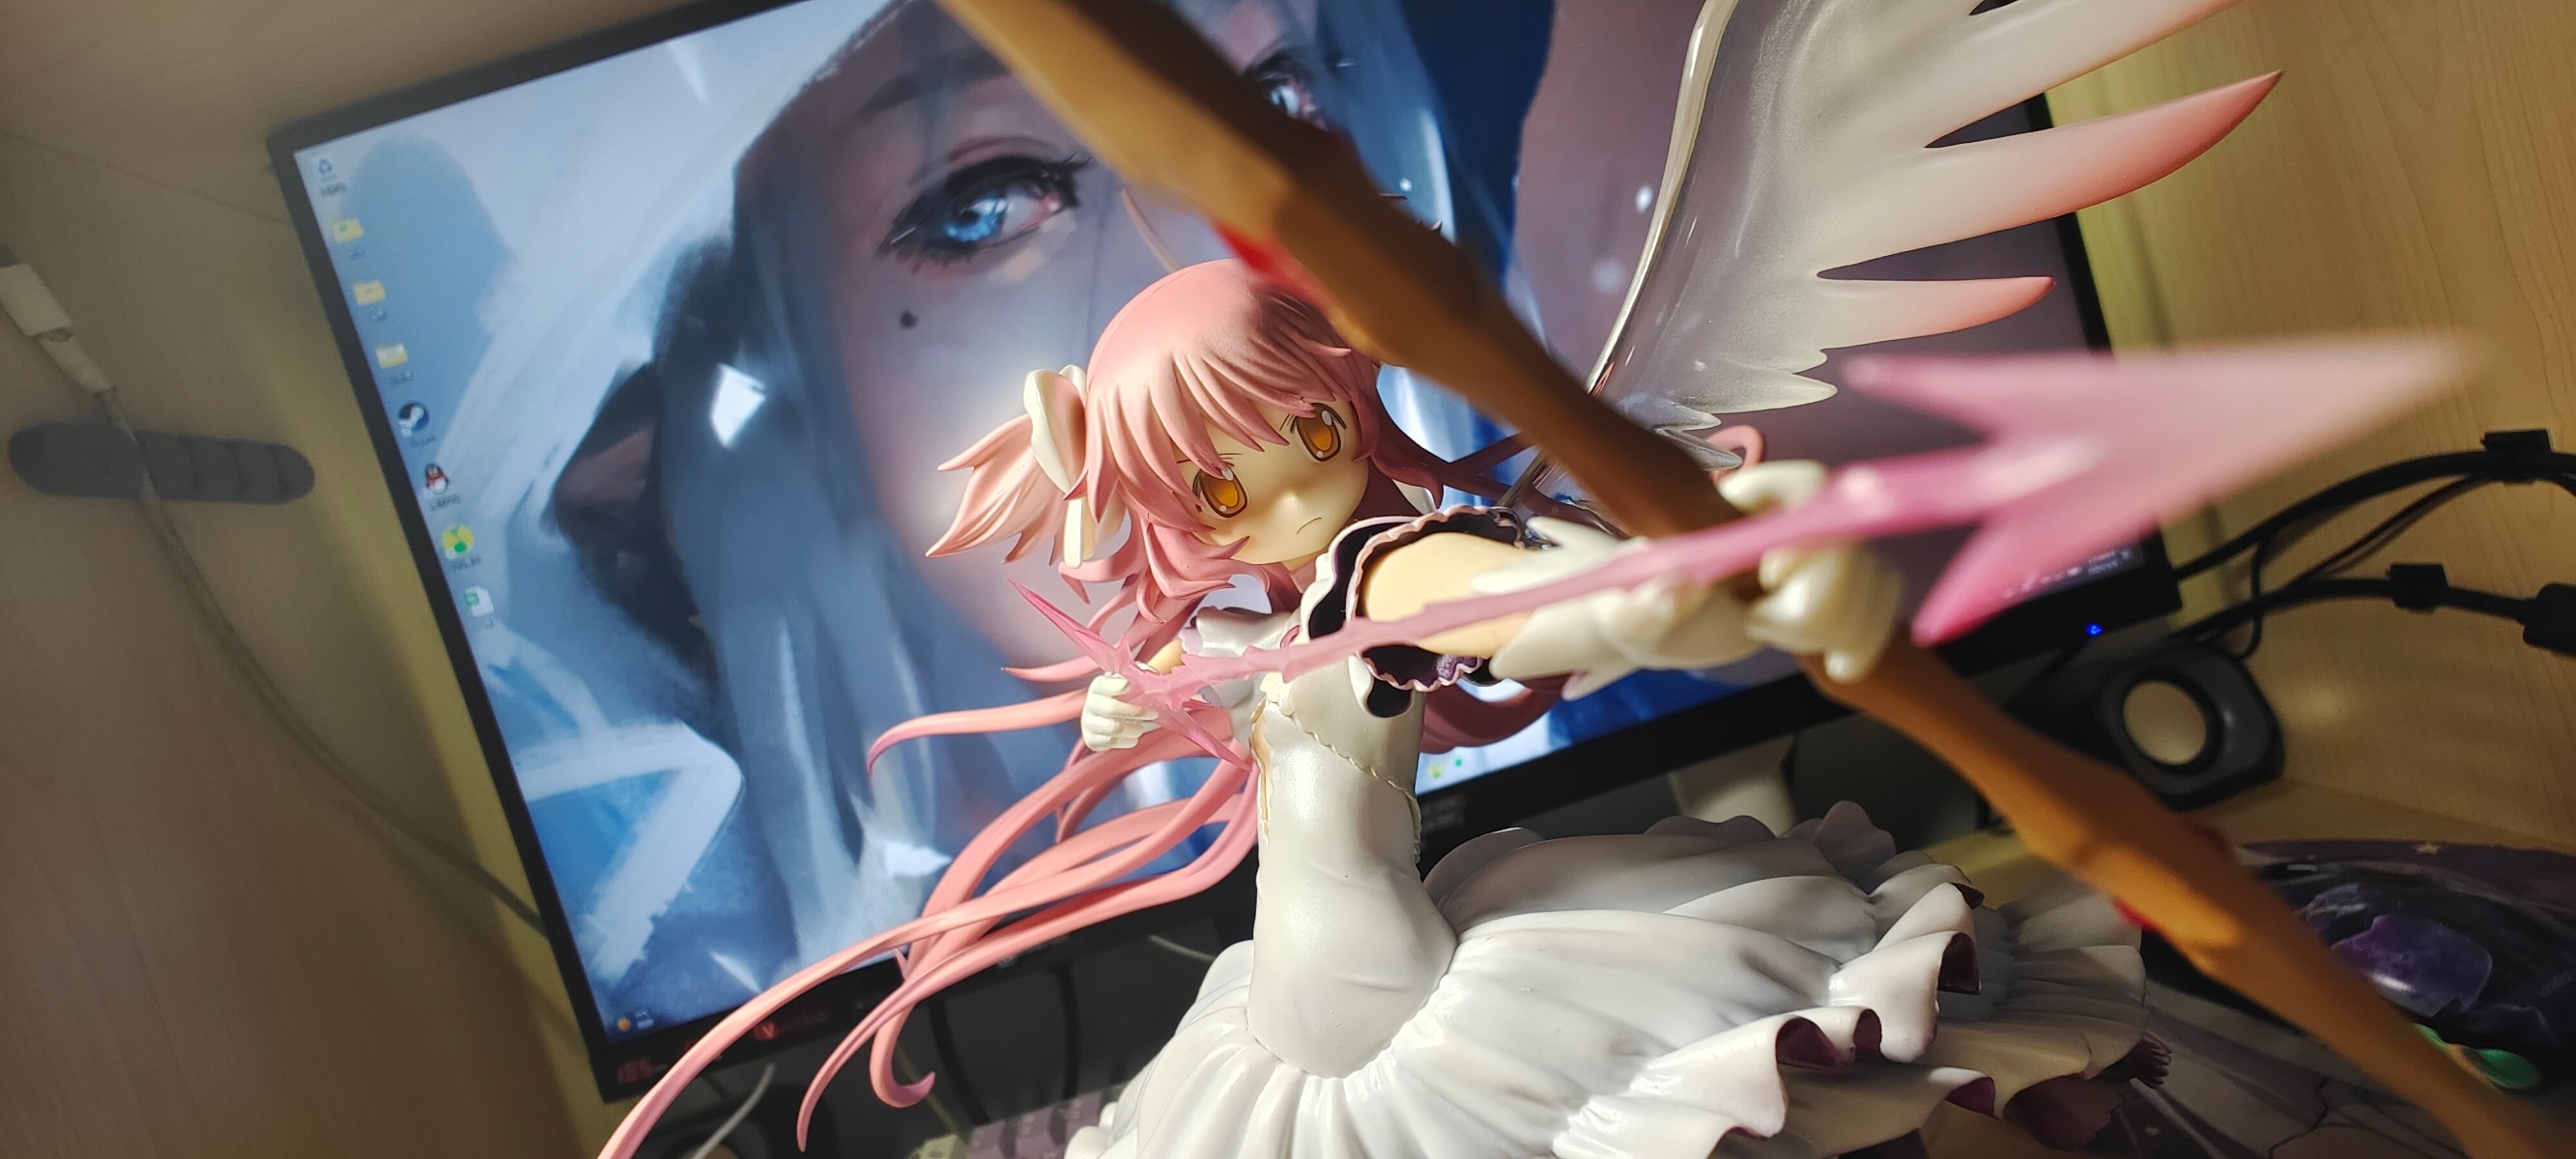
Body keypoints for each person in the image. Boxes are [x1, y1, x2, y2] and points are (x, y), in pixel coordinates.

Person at [596, 262, 2156, 1159]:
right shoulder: (1285, 613)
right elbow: (1256, 696)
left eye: (1301, 432)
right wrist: (1143, 711)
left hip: (1386, 996)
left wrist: (1677, 591)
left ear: (1343, 395)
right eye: (1214, 486)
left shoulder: (1387, 570)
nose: (1277, 494)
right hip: (1304, 994)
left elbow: (1535, 600)